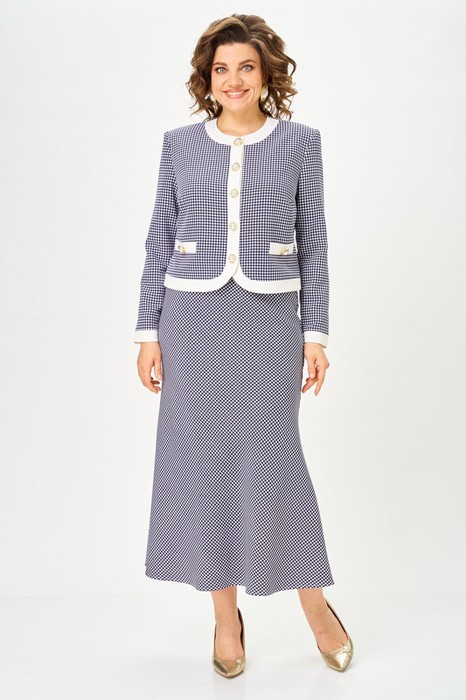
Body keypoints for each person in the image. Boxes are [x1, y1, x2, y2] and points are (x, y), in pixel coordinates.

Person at [134, 13, 354, 678]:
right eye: (221, 69)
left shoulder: (300, 143)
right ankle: (224, 618)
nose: (233, 79)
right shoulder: (180, 144)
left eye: (246, 67)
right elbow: (159, 237)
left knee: (273, 462)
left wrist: (315, 334)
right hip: (190, 318)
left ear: (266, 75)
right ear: (207, 79)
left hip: (269, 317)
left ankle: (314, 603)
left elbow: (314, 239)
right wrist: (147, 332)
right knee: (203, 467)